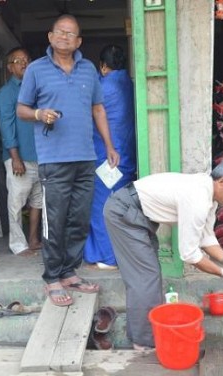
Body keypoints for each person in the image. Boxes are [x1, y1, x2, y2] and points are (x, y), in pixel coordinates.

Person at [16, 15, 120, 306]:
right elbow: (22, 109)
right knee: (55, 220)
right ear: (50, 36)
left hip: (85, 157)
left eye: (70, 34)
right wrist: (39, 114)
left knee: (78, 219)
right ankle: (52, 276)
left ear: (79, 41)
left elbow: (98, 109)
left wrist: (109, 146)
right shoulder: (36, 70)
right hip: (53, 159)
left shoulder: (88, 70)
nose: (64, 37)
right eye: (60, 33)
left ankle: (69, 271)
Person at [103, 160, 223, 350]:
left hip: (137, 214)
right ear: (222, 182)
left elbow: (207, 237)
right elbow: (190, 255)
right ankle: (143, 343)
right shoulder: (198, 199)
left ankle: (143, 337)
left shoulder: (209, 195)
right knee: (145, 278)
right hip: (125, 213)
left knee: (146, 277)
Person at [83, 45, 137, 270]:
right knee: (123, 207)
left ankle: (107, 256)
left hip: (106, 156)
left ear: (104, 67)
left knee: (101, 207)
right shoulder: (130, 84)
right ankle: (122, 254)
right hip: (126, 156)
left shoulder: (102, 87)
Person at [0, 47, 42, 257]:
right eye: (18, 60)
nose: (24, 63)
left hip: (40, 156)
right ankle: (18, 244)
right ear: (9, 67)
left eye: (26, 59)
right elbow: (6, 126)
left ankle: (33, 239)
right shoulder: (6, 94)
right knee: (16, 202)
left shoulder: (36, 90)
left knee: (38, 201)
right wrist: (15, 157)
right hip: (19, 158)